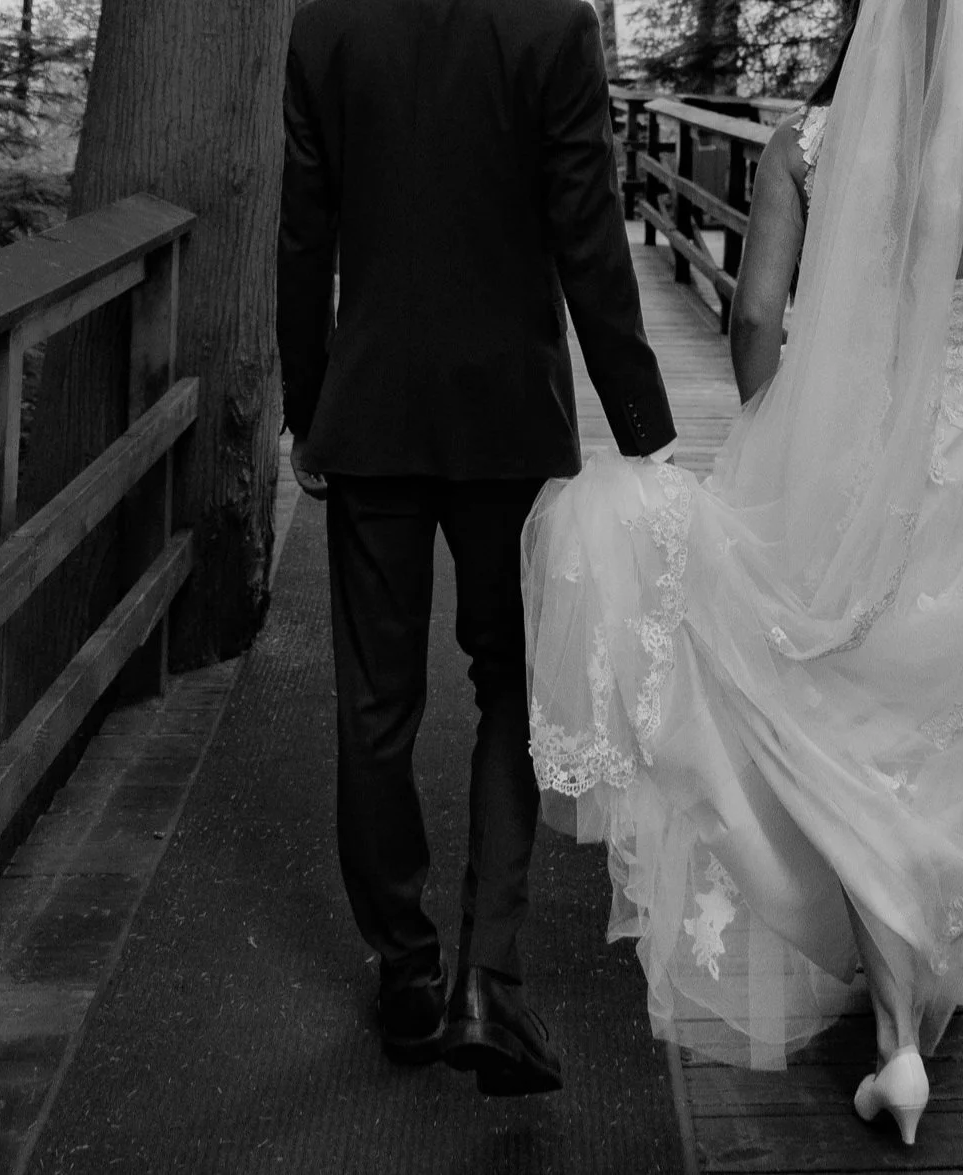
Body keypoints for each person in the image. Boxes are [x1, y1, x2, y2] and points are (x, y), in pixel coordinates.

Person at [520, 0, 963, 1143]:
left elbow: (755, 315)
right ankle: (899, 1025)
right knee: (920, 724)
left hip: (834, 442)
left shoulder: (802, 150)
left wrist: (778, 428)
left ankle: (897, 1036)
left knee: (833, 708)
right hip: (959, 456)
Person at [276, 0, 677, 1097]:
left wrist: (309, 407)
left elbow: (304, 232)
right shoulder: (551, 25)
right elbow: (586, 229)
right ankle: (486, 976)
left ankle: (406, 975)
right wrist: (641, 427)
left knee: (375, 699)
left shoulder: (326, 25)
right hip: (508, 413)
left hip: (372, 409)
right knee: (510, 677)